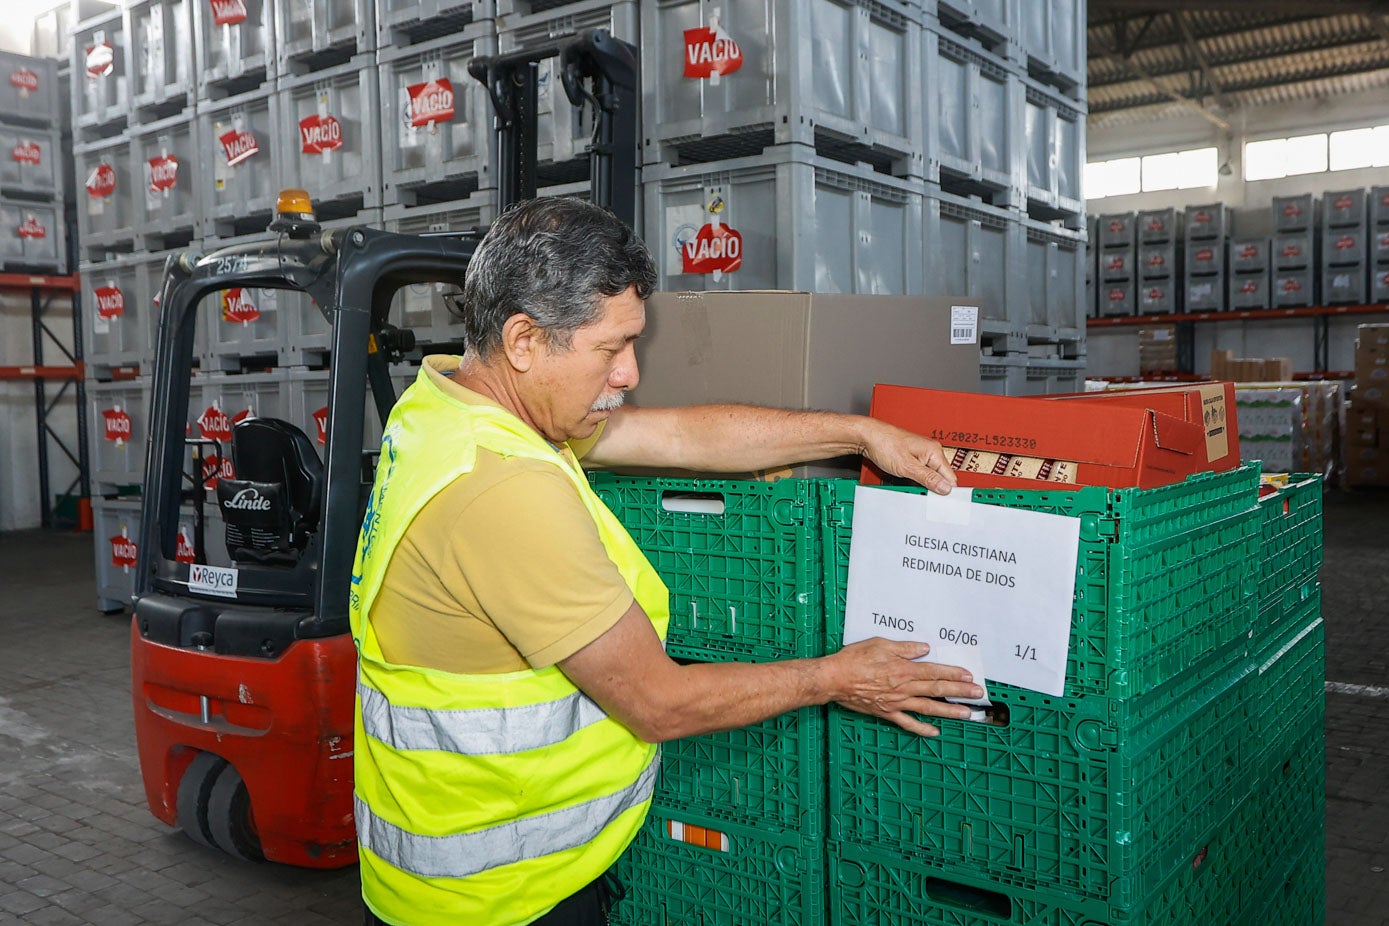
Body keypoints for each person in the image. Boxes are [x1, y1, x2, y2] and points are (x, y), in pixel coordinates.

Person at [349, 197, 983, 926]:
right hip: (499, 899)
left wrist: (860, 433)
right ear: (524, 339)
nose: (627, 375)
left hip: (473, 874)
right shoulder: (503, 489)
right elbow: (658, 703)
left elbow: (681, 437)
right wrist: (838, 677)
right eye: (610, 348)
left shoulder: (449, 408)